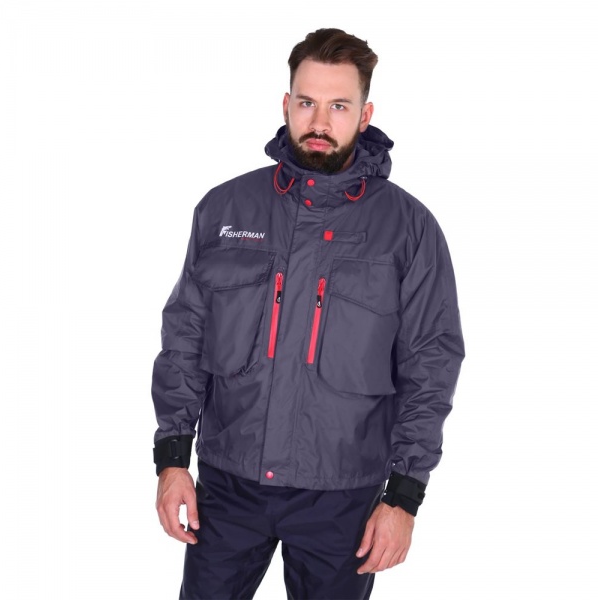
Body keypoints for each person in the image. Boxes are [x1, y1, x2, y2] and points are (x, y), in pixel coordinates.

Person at [152, 28, 465, 600]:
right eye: (306, 103)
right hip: (228, 485)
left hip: (343, 497)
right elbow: (184, 340)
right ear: (286, 105)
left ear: (364, 115)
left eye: (338, 106)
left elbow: (431, 364)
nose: (319, 122)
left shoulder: (409, 230)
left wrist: (403, 497)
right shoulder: (225, 209)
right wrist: (172, 459)